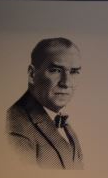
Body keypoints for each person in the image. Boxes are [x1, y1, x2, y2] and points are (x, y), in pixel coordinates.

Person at [6, 37, 84, 169]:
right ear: (32, 74)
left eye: (74, 72)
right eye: (56, 70)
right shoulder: (16, 128)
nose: (66, 83)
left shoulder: (65, 125)